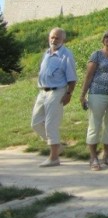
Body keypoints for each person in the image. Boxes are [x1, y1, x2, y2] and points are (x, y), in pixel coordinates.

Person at [79, 30, 108, 170]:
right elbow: (88, 76)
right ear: (103, 39)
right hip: (97, 94)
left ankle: (106, 156)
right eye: (106, 37)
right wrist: (82, 95)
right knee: (95, 125)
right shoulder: (97, 55)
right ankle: (93, 158)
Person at [31, 28, 77, 167]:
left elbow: (72, 78)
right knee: (36, 123)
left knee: (51, 124)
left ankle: (54, 158)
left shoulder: (66, 55)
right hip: (43, 92)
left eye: (57, 38)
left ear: (63, 39)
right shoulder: (46, 53)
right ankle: (57, 146)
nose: (53, 40)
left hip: (57, 92)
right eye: (51, 37)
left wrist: (68, 94)